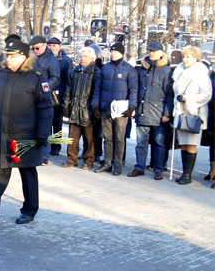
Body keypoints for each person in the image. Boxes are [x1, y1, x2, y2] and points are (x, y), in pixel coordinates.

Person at [0, 38, 53, 225]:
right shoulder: (0, 75)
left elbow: (45, 108)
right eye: (7, 56)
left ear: (25, 57)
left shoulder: (36, 76)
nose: (8, 59)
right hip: (3, 134)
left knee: (27, 173)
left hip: (24, 135)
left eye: (13, 56)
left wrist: (42, 134)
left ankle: (29, 210)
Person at [127, 41, 173, 180]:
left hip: (159, 114)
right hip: (142, 111)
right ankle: (139, 167)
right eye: (150, 50)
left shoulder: (166, 71)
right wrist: (133, 108)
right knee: (141, 143)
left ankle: (158, 169)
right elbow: (136, 90)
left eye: (154, 51)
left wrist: (167, 113)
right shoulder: (142, 69)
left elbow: (170, 94)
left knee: (159, 143)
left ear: (161, 53)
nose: (151, 53)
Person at [91, 42, 137, 176]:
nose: (113, 53)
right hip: (106, 109)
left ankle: (118, 163)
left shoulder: (129, 69)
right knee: (107, 137)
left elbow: (133, 90)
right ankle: (107, 162)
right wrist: (95, 105)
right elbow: (98, 89)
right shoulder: (105, 68)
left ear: (122, 53)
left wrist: (132, 107)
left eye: (116, 51)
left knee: (119, 138)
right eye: (111, 51)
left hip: (121, 111)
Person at [171, 46, 212, 185]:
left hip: (194, 113)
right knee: (183, 144)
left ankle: (188, 174)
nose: (185, 59)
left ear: (196, 58)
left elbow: (207, 95)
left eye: (188, 57)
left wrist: (188, 99)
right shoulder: (179, 72)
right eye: (183, 56)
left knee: (191, 144)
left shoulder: (201, 74)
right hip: (181, 113)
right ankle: (184, 172)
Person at [62, 46, 98, 169]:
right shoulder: (74, 72)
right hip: (75, 109)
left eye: (85, 57)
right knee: (72, 137)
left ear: (93, 59)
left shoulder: (96, 73)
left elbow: (96, 92)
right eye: (81, 56)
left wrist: (94, 108)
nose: (82, 59)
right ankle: (71, 159)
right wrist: (66, 105)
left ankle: (89, 160)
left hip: (88, 110)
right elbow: (68, 89)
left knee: (89, 139)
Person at [28, 35, 60, 164]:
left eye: (37, 48)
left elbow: (55, 78)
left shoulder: (52, 60)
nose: (35, 50)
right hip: (30, 95)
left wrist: (43, 88)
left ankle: (44, 154)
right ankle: (33, 151)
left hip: (44, 96)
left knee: (45, 125)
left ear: (44, 45)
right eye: (33, 48)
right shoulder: (31, 58)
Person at [47, 37, 73, 157]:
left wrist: (65, 96)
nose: (52, 47)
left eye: (54, 45)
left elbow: (68, 79)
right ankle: (46, 145)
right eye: (50, 45)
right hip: (47, 94)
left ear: (59, 47)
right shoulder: (44, 58)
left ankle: (56, 146)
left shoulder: (66, 60)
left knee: (57, 123)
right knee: (46, 122)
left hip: (59, 95)